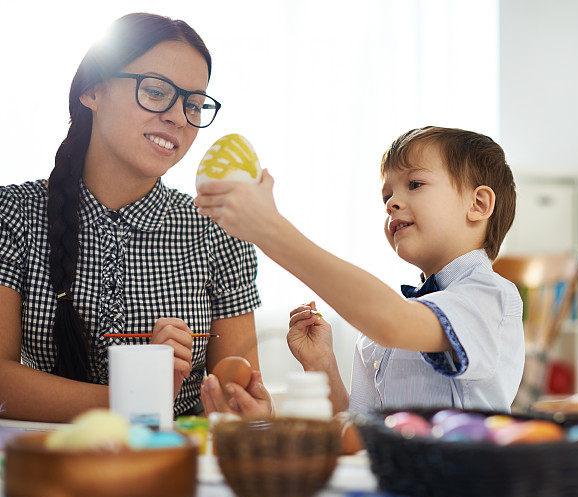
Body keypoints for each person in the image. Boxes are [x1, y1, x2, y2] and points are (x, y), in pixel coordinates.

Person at [0, 13, 270, 422]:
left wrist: (248, 406)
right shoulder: (14, 215)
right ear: (93, 90)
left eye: (194, 104)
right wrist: (139, 395)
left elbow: (236, 388)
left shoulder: (220, 228)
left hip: (172, 462)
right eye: (157, 91)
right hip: (40, 462)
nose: (179, 117)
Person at [195, 126, 523, 416]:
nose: (391, 202)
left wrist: (271, 231)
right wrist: (322, 365)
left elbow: (394, 323)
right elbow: (357, 432)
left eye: (415, 184)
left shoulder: (491, 296)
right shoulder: (377, 334)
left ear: (478, 204)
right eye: (387, 194)